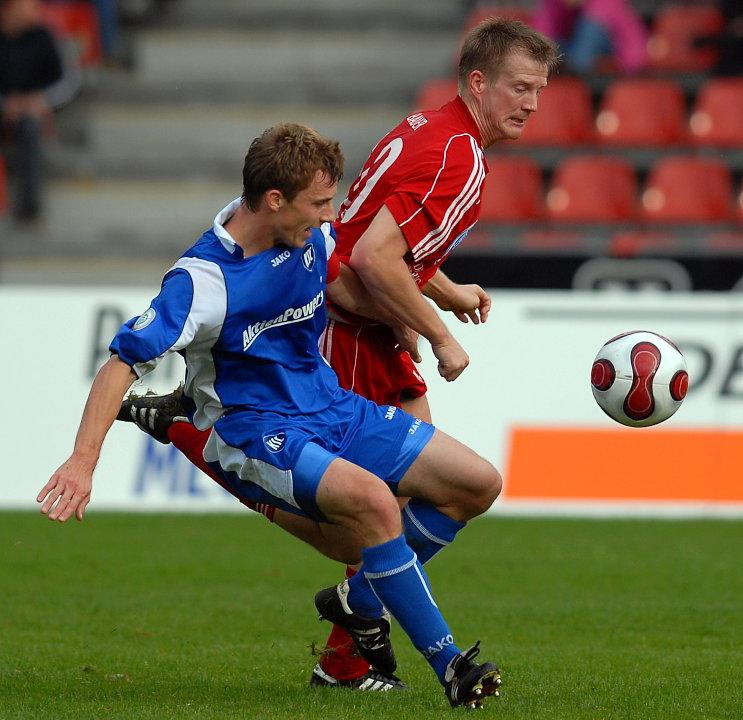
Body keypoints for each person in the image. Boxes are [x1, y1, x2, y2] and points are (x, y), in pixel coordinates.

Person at [116, 17, 560, 690]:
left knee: (423, 499)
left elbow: (370, 239)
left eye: (539, 89)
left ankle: (353, 631)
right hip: (349, 326)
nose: (530, 103)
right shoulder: (458, 157)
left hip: (373, 321)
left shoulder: (429, 129)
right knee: (364, 519)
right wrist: (436, 331)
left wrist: (437, 291)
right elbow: (374, 258)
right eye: (519, 88)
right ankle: (193, 431)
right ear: (478, 83)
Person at [38, 122, 505, 708]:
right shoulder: (204, 281)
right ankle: (452, 666)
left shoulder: (306, 235)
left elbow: (351, 277)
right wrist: (83, 462)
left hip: (331, 405)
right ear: (275, 200)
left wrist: (421, 308)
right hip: (258, 431)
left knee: (477, 484)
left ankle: (358, 604)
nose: (329, 214)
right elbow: (118, 364)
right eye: (320, 203)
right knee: (374, 508)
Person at [0, 0, 63, 221]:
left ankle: (29, 207)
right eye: (27, 5)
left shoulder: (42, 37)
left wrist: (42, 100)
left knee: (29, 126)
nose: (35, 10)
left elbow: (64, 80)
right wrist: (6, 103)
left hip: (32, 112)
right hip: (6, 108)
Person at [531, 0, 647, 75]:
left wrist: (625, 68)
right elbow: (540, 34)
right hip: (568, 52)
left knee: (590, 27)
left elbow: (634, 42)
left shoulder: (607, 6)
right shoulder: (553, 5)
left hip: (608, 56)